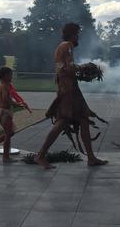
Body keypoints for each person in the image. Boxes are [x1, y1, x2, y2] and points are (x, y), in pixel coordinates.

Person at [34, 23, 107, 169]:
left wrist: (80, 71)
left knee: (83, 120)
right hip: (69, 92)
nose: (78, 37)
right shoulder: (67, 46)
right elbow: (68, 68)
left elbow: (63, 69)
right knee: (62, 122)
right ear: (72, 35)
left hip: (69, 90)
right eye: (77, 34)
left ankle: (91, 158)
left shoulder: (61, 46)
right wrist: (85, 70)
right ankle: (41, 155)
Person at [0, 66, 31, 162]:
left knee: (10, 133)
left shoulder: (2, 84)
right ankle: (5, 157)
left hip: (2, 112)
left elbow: (6, 99)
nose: (12, 76)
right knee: (8, 134)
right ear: (5, 76)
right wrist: (17, 104)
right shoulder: (5, 85)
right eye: (10, 74)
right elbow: (6, 100)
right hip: (4, 113)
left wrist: (16, 104)